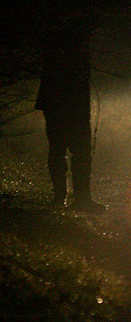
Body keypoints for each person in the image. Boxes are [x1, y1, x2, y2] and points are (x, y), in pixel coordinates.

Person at [35, 24, 105, 213]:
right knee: (77, 152)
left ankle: (62, 198)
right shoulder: (69, 49)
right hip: (70, 107)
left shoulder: (55, 44)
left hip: (58, 105)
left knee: (61, 151)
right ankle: (78, 198)